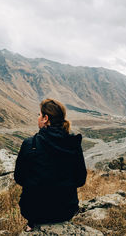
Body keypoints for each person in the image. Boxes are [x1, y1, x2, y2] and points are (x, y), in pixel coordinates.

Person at [14, 98, 87, 232]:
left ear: (45, 118)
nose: (38, 117)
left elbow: (19, 178)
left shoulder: (30, 144)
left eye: (39, 114)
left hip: (33, 212)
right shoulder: (73, 144)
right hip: (66, 211)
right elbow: (80, 180)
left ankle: (32, 226)